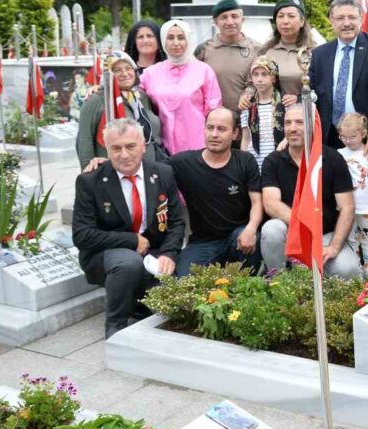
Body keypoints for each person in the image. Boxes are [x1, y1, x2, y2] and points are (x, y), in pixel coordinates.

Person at [309, 0, 368, 273]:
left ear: (361, 19)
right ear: (331, 21)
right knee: (338, 196)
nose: (346, 23)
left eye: (352, 17)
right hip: (332, 139)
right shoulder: (320, 54)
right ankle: (347, 253)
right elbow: (314, 94)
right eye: (340, 18)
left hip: (366, 137)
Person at [72, 118, 184, 338]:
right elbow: (82, 235)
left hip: (151, 254)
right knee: (128, 263)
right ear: (107, 149)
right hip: (106, 256)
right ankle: (115, 327)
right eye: (116, 148)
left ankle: (136, 303)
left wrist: (169, 254)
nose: (124, 154)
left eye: (130, 146)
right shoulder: (90, 181)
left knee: (175, 306)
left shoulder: (162, 173)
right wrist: (131, 240)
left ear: (143, 146)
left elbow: (176, 221)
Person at [259, 104, 362, 278]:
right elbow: (270, 203)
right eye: (288, 123)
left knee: (348, 269)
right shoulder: (273, 161)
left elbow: (347, 207)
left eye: (300, 122)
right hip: (291, 232)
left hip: (325, 235)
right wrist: (303, 228)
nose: (292, 128)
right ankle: (281, 284)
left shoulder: (332, 159)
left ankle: (317, 280)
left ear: (313, 125)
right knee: (271, 230)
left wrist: (334, 247)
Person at [169, 108, 263, 276]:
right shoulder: (183, 162)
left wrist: (251, 228)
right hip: (202, 241)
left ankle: (246, 291)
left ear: (235, 134)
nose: (214, 134)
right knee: (184, 279)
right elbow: (151, 170)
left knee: (248, 242)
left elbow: (257, 202)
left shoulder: (245, 161)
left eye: (222, 129)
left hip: (238, 236)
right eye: (210, 127)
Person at [140, 20, 222, 155]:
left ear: (188, 40)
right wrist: (98, 88)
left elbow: (214, 111)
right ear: (163, 41)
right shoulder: (150, 74)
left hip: (198, 147)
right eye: (170, 38)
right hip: (162, 148)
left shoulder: (203, 71)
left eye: (181, 37)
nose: (176, 43)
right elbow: (131, 94)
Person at [76, 51, 164, 169]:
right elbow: (84, 140)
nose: (124, 73)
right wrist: (89, 175)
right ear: (108, 74)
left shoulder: (141, 96)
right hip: (114, 171)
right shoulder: (97, 100)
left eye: (128, 68)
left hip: (150, 169)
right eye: (117, 70)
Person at [337, 113, 368, 282]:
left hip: (366, 207)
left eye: (352, 137)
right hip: (346, 209)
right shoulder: (339, 154)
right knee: (350, 239)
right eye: (343, 137)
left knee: (367, 238)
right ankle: (356, 270)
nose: (348, 141)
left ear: (363, 133)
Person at [194, 0, 259, 112]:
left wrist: (249, 93)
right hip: (214, 121)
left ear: (242, 19)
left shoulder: (257, 49)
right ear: (215, 22)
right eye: (224, 17)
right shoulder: (203, 50)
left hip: (249, 118)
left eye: (234, 16)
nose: (230, 22)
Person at [254, 0, 319, 105]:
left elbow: (320, 87)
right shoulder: (266, 52)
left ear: (302, 21)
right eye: (280, 16)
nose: (285, 21)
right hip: (272, 114)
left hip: (303, 114)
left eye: (291, 16)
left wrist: (299, 98)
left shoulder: (314, 52)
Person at [241, 57, 286, 171]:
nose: (259, 79)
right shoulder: (247, 106)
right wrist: (243, 161)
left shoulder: (285, 104)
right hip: (254, 164)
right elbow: (246, 138)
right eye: (255, 74)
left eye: (264, 74)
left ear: (274, 77)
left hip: (280, 162)